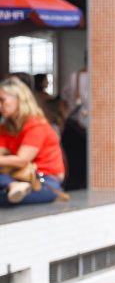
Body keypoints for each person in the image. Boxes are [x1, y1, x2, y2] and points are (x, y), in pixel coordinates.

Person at [0, 77, 67, 205]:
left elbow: (22, 160)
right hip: (15, 177)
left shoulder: (36, 125)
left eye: (2, 100)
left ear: (19, 99)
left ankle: (13, 186)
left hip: (44, 181)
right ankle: (12, 185)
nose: (0, 106)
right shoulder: (5, 127)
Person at [61, 59, 89, 190]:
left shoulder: (75, 76)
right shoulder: (99, 77)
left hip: (73, 125)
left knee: (75, 163)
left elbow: (64, 98)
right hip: (81, 127)